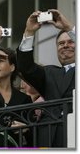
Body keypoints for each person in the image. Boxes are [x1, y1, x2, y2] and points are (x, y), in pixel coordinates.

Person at [16, 9, 75, 147]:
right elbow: (26, 67)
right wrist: (29, 32)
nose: (65, 45)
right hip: (48, 137)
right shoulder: (49, 72)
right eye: (61, 43)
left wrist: (68, 27)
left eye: (71, 41)